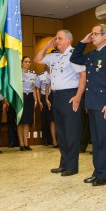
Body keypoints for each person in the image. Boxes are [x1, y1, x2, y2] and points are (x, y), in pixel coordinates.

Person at [70, 24, 106, 186]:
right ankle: (97, 171)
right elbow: (75, 57)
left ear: (104, 36)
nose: (92, 36)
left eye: (95, 34)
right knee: (97, 140)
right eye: (91, 34)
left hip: (104, 105)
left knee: (105, 140)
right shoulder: (92, 54)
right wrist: (82, 42)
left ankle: (105, 175)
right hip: (92, 103)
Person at [34, 30, 86, 176]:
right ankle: (64, 164)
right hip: (56, 96)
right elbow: (37, 59)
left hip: (70, 95)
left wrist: (78, 97)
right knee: (61, 133)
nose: (56, 41)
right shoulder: (54, 56)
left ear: (68, 40)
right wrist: (46, 46)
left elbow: (83, 76)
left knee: (71, 132)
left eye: (59, 38)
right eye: (56, 38)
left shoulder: (74, 55)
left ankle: (72, 166)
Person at [18, 56, 39, 151]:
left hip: (29, 97)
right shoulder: (17, 74)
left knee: (27, 122)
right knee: (20, 121)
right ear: (22, 63)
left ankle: (26, 143)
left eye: (29, 62)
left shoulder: (33, 75)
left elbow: (34, 89)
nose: (28, 63)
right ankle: (21, 143)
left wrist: (35, 100)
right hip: (20, 97)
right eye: (26, 61)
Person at [36, 66, 56, 147]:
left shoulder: (56, 73)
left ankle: (52, 140)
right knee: (45, 119)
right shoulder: (41, 75)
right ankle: (45, 140)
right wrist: (39, 101)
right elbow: (37, 89)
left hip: (54, 96)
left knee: (53, 119)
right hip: (44, 97)